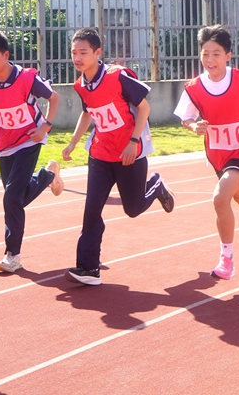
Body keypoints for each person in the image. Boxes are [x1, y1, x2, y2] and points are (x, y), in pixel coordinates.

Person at [61, 28, 176, 286]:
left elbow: (144, 107)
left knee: (132, 209)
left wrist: (133, 142)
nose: (77, 58)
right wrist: (72, 143)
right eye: (73, 53)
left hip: (129, 154)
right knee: (92, 210)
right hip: (101, 154)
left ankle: (156, 185)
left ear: (97, 52)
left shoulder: (118, 76)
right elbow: (88, 113)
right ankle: (89, 269)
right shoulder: (80, 84)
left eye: (83, 52)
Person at [174, 25, 239, 279]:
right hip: (218, 152)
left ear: (228, 55)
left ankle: (227, 259)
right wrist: (192, 125)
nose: (210, 59)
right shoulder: (194, 87)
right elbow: (185, 117)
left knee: (220, 198)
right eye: (205, 53)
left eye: (216, 54)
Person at [0, 29, 64, 273]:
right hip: (4, 143)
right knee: (17, 197)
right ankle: (48, 176)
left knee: (12, 198)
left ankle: (12, 255)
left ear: (6, 54)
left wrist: (46, 125)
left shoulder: (26, 78)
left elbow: (54, 98)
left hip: (29, 139)